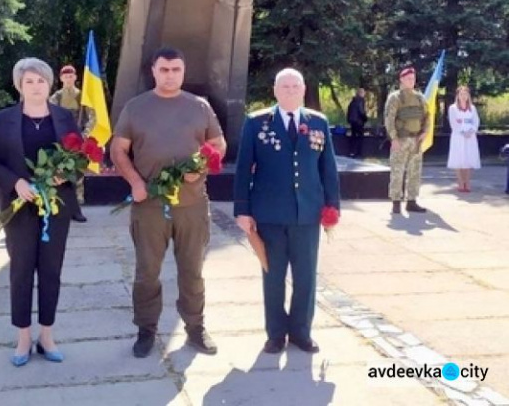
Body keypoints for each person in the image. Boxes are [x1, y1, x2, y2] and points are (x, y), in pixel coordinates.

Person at [110, 47, 226, 358]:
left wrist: (199, 169)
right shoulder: (136, 108)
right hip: (149, 205)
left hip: (191, 205)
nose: (170, 75)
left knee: (192, 271)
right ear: (154, 71)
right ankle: (146, 330)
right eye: (164, 70)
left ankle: (195, 329)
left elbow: (217, 144)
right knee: (147, 272)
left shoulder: (200, 107)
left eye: (176, 69)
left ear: (183, 72)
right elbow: (118, 149)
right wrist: (135, 182)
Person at [0, 58, 83, 367]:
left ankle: (47, 335)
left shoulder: (65, 117)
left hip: (57, 207)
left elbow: (79, 157)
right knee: (21, 270)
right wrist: (16, 182)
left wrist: (66, 174)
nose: (36, 86)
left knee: (51, 270)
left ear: (49, 83)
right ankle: (23, 337)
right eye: (29, 81)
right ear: (19, 86)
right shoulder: (4, 119)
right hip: (20, 206)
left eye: (41, 81)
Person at [233, 68, 340, 354]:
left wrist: (332, 207)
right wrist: (242, 210)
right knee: (273, 275)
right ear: (275, 91)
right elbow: (243, 169)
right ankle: (276, 334)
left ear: (303, 90)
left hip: (307, 214)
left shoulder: (318, 122)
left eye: (295, 86)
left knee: (306, 276)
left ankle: (301, 332)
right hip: (269, 214)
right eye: (285, 86)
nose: (290, 91)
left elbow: (327, 169)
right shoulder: (257, 123)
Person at [49, 64, 93, 220]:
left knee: (77, 173)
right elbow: (49, 116)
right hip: (61, 141)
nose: (68, 79)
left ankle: (77, 207)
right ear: (61, 78)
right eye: (65, 76)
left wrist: (85, 134)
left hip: (78, 140)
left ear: (75, 77)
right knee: (59, 172)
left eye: (71, 76)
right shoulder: (56, 98)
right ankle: (59, 206)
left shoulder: (83, 97)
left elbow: (92, 117)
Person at [384, 67, 429, 214]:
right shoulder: (395, 97)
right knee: (397, 171)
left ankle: (411, 201)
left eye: (413, 78)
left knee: (414, 172)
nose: (412, 81)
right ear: (401, 80)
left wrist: (425, 132)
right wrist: (394, 138)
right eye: (409, 78)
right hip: (401, 139)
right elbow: (389, 119)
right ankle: (396, 202)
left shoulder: (420, 97)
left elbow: (427, 116)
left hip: (416, 140)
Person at [447, 86, 481, 192]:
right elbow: (453, 123)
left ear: (468, 95)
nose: (463, 96)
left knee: (468, 159)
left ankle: (467, 182)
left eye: (465, 94)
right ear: (458, 95)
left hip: (470, 137)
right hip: (458, 137)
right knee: (459, 159)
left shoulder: (472, 108)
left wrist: (471, 131)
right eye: (461, 94)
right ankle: (460, 183)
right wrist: (462, 132)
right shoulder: (453, 108)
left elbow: (476, 121)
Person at [346, 87, 368, 158]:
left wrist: (349, 120)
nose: (364, 94)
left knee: (353, 136)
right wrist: (365, 119)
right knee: (360, 137)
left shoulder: (353, 101)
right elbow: (361, 111)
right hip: (359, 122)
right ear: (361, 93)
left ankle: (351, 152)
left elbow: (349, 111)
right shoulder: (361, 100)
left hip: (353, 121)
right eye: (363, 92)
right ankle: (359, 153)